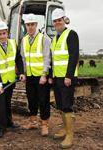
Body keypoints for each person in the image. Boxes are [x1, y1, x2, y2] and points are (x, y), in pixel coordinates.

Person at [49, 8, 79, 149]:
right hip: (57, 78)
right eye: (55, 21)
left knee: (67, 106)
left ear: (64, 20)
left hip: (66, 78)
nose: (57, 23)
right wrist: (51, 77)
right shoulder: (55, 38)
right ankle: (65, 130)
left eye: (59, 20)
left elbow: (73, 57)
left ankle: (70, 137)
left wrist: (68, 76)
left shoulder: (71, 35)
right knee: (61, 105)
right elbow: (53, 60)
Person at [0, 21, 26, 138]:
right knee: (1, 104)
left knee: (8, 102)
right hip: (0, 82)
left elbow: (19, 59)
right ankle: (1, 127)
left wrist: (21, 72)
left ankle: (9, 122)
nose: (2, 36)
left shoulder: (13, 44)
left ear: (7, 33)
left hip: (10, 80)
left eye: (4, 33)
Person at [21, 13, 51, 137]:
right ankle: (33, 122)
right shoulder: (23, 40)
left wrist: (44, 74)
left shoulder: (44, 39)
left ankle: (44, 125)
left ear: (36, 25)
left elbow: (47, 58)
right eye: (28, 25)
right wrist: (23, 73)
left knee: (43, 100)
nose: (30, 27)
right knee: (31, 99)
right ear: (26, 26)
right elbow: (23, 59)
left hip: (41, 76)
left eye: (32, 24)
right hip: (30, 76)